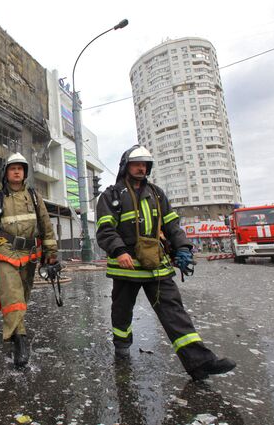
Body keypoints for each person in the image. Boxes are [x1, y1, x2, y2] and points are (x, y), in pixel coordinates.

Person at [95, 145, 236, 380]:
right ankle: (121, 346)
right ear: (125, 166)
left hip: (157, 266)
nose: (141, 168)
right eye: (136, 164)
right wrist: (119, 251)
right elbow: (105, 229)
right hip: (126, 266)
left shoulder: (157, 194)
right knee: (121, 312)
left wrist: (182, 248)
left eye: (145, 165)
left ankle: (200, 363)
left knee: (174, 313)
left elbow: (172, 226)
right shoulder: (111, 195)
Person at [0, 153, 58, 367]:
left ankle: (17, 329)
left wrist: (51, 253)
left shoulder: (34, 197)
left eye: (20, 168)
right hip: (5, 253)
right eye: (12, 168)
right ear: (6, 173)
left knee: (22, 296)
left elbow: (46, 225)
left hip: (30, 255)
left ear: (24, 173)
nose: (17, 171)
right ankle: (20, 340)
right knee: (12, 296)